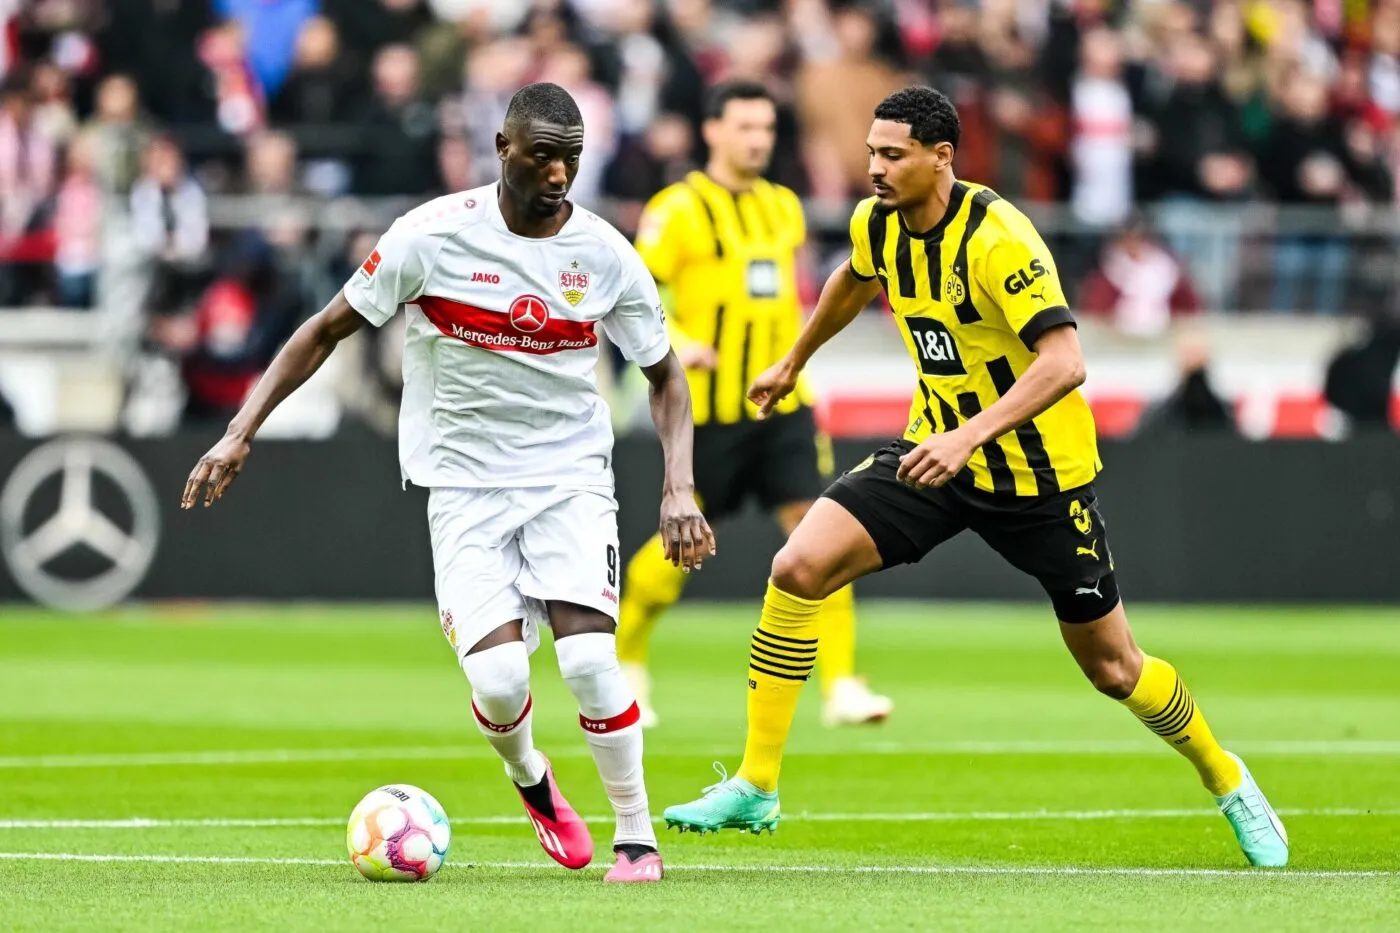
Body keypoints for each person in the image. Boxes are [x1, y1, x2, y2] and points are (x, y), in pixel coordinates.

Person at [662, 86, 1289, 869]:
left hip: (1038, 477)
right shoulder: (877, 223)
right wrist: (795, 358)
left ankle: (1226, 776)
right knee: (799, 565)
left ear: (941, 158)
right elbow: (854, 279)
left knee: (1114, 667)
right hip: (936, 456)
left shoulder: (999, 239)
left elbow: (1066, 362)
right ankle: (757, 782)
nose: (875, 169)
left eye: (892, 156)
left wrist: (971, 434)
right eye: (871, 154)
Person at [182, 83, 714, 884]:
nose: (559, 175)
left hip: (570, 474)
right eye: (541, 156)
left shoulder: (605, 253)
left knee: (591, 663)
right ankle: (533, 779)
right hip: (462, 482)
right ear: (502, 148)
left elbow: (667, 378)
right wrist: (239, 430)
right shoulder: (429, 238)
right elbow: (325, 327)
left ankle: (635, 835)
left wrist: (678, 486)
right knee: (500, 680)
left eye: (571, 158)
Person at [616, 79, 892, 729]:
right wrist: (680, 342)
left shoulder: (783, 207)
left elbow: (789, 292)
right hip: (708, 410)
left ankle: (843, 682)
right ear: (711, 131)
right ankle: (626, 663)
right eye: (744, 126)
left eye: (765, 127)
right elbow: (633, 294)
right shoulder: (677, 209)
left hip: (783, 407)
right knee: (676, 547)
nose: (757, 139)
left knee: (823, 532)